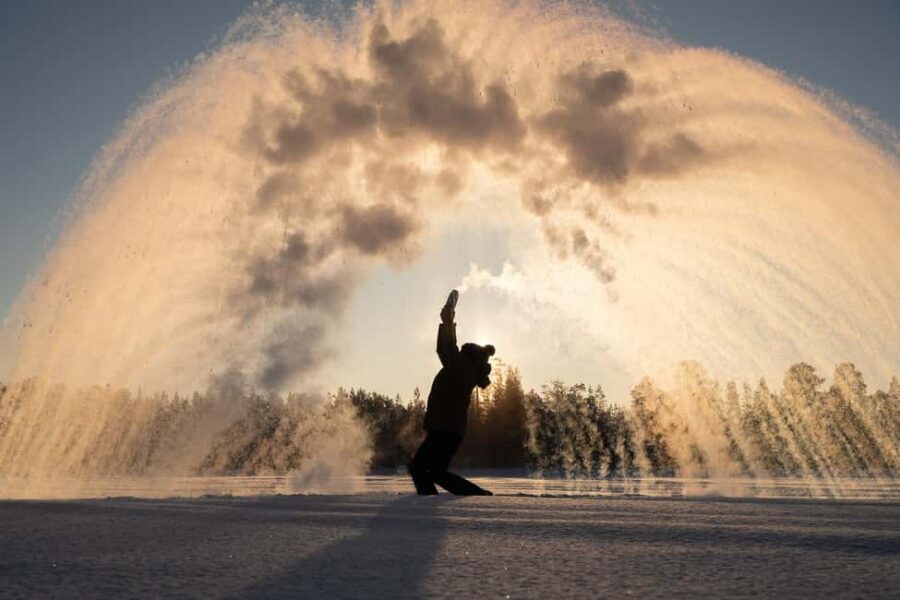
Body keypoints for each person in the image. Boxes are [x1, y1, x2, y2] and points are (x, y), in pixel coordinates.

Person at [408, 289, 495, 496]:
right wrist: (448, 320)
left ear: (469, 357)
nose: (459, 354)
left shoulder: (462, 369)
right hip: (447, 429)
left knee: (421, 468)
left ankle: (432, 502)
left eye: (464, 352)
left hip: (444, 429)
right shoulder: (463, 369)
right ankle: (475, 496)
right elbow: (446, 350)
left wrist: (448, 320)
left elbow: (446, 348)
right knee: (434, 471)